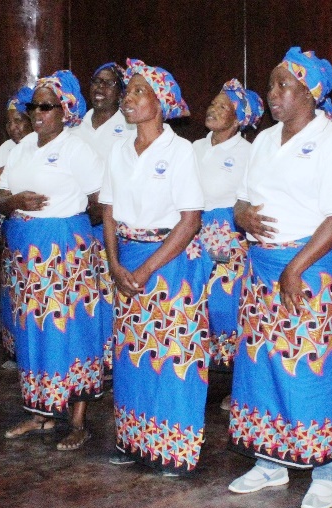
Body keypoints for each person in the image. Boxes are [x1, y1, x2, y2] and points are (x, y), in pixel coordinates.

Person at [227, 48, 332, 508]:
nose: (273, 94)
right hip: (262, 266)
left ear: (311, 91)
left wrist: (296, 267)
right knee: (262, 365)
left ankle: (325, 470)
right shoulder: (262, 141)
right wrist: (244, 216)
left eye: (283, 85)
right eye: (271, 85)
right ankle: (270, 461)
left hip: (308, 269)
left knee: (308, 366)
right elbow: (241, 203)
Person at [101, 59, 211, 476]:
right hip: (126, 260)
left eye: (138, 92)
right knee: (133, 356)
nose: (127, 98)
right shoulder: (118, 149)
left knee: (172, 356)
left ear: (161, 102)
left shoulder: (179, 151)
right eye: (127, 91)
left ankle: (175, 451)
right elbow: (108, 210)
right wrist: (114, 263)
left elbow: (190, 220)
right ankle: (135, 441)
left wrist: (145, 269)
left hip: (169, 264)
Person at [0, 70, 106, 451]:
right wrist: (14, 203)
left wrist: (67, 231)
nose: (37, 112)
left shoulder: (78, 149)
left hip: (64, 252)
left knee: (69, 330)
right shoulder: (22, 147)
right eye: (34, 106)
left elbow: (100, 204)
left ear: (66, 110)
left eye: (46, 105)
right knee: (33, 331)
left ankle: (77, 421)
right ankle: (40, 412)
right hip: (27, 255)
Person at [191, 79, 263, 410]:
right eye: (213, 103)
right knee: (196, 302)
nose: (213, 109)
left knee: (224, 303)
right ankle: (198, 377)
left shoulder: (249, 153)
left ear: (238, 119)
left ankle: (237, 385)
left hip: (227, 240)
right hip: (192, 234)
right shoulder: (193, 148)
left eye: (223, 107)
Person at [71, 62, 135, 378]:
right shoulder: (73, 128)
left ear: (121, 92)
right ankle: (89, 358)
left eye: (109, 83)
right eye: (96, 81)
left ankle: (114, 363)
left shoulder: (130, 128)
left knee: (112, 294)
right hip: (79, 226)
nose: (100, 88)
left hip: (115, 225)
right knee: (85, 296)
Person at [0, 86, 34, 360]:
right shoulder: (4, 151)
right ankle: (15, 348)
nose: (13, 127)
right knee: (14, 288)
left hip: (41, 229)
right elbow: (0, 191)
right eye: (8, 122)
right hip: (13, 226)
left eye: (19, 120)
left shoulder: (45, 147)